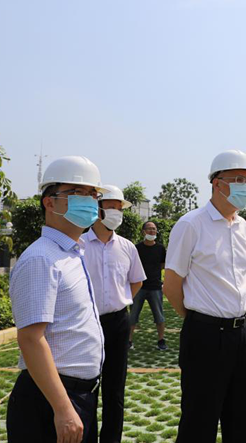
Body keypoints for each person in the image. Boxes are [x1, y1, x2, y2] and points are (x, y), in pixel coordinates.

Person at [7, 156, 107, 443]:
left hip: (77, 395)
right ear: (49, 202)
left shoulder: (72, 253)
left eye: (92, 194)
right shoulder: (42, 258)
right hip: (51, 399)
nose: (88, 200)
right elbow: (30, 338)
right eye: (77, 193)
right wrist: (63, 408)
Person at [163, 150, 246, 443]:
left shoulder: (243, 227)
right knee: (199, 420)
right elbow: (172, 285)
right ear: (217, 183)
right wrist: (198, 318)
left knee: (243, 417)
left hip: (241, 333)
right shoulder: (191, 224)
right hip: (204, 335)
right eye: (238, 179)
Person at [80, 184, 146, 443]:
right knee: (86, 387)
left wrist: (120, 299)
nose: (117, 213)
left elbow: (136, 281)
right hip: (87, 323)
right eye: (111, 207)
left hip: (118, 322)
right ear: (97, 209)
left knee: (115, 390)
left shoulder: (127, 247)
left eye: (120, 208)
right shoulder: (79, 245)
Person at [130, 221, 168, 350]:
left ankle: (161, 340)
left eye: (154, 229)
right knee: (132, 316)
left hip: (155, 286)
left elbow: (163, 264)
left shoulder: (160, 248)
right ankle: (128, 341)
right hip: (138, 286)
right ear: (143, 232)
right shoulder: (137, 248)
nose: (152, 231)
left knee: (159, 316)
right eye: (149, 229)